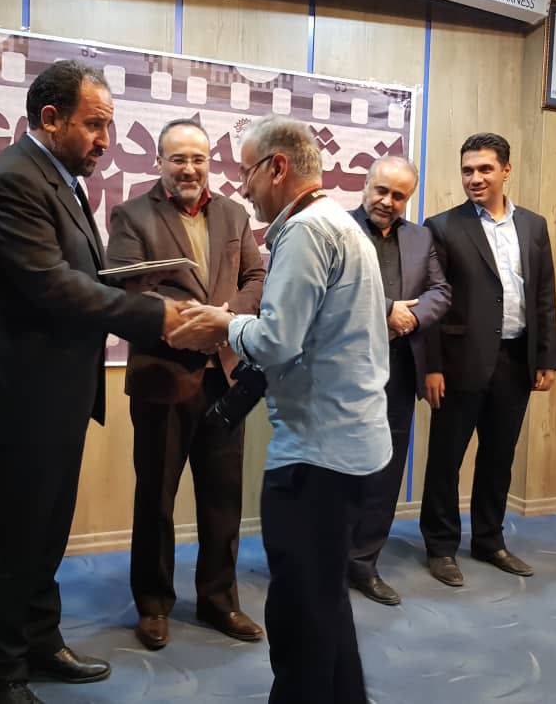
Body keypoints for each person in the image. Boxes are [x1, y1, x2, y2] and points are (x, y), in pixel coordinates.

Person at [0, 60, 183, 704]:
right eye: (95, 125)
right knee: (15, 538)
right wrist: (157, 315)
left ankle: (40, 643)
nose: (105, 141)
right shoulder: (10, 182)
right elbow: (49, 286)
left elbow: (73, 276)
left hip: (56, 392)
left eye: (109, 126)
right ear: (51, 118)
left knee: (45, 532)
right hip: (21, 395)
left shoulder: (59, 180)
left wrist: (128, 285)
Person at [167, 115, 392, 704]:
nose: (242, 187)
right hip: (352, 444)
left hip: (317, 455)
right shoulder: (338, 222)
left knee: (298, 615)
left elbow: (276, 341)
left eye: (246, 172)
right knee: (326, 599)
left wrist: (224, 324)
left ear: (278, 168)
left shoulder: (305, 231)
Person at [106, 118, 266, 649]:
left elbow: (255, 277)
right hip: (163, 376)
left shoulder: (234, 214)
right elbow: (126, 291)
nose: (190, 169)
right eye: (178, 159)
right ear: (159, 162)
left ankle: (220, 601)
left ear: (209, 163)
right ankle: (153, 604)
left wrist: (226, 318)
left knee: (223, 497)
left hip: (226, 377)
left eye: (199, 158)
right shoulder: (131, 216)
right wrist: (187, 324)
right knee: (156, 497)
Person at [420, 132, 556, 588]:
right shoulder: (442, 226)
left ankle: (489, 539)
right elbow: (432, 302)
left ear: (506, 170)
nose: (475, 178)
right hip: (459, 361)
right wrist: (431, 366)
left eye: (484, 169)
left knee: (499, 457)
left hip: (516, 359)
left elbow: (543, 295)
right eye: (467, 170)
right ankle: (441, 547)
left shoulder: (534, 226)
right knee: (446, 459)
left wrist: (547, 356)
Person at [346, 156, 451, 605]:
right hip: (344, 370)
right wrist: (387, 309)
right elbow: (332, 289)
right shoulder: (336, 229)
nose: (388, 201)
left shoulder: (420, 237)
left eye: (398, 196)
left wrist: (410, 318)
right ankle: (326, 558)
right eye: (382, 190)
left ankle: (364, 563)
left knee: (386, 472)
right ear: (366, 185)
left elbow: (441, 292)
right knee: (338, 469)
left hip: (400, 370)